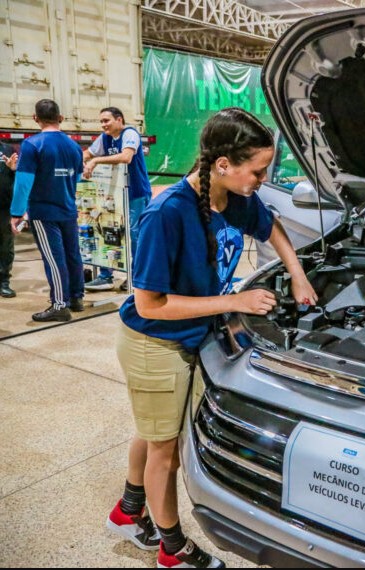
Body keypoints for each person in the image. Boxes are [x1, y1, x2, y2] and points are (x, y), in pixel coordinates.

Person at [107, 107, 318, 569]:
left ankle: (127, 511)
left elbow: (271, 226)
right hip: (153, 342)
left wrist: (298, 275)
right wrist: (234, 303)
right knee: (168, 449)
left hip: (188, 337)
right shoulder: (167, 213)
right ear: (222, 164)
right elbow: (150, 305)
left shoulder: (233, 195)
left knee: (156, 429)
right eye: (258, 171)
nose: (262, 179)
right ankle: (171, 548)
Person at [10, 99, 85, 321]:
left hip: (44, 212)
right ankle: (76, 297)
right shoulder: (74, 146)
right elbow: (78, 178)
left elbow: (24, 183)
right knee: (73, 254)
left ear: (35, 119)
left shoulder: (32, 144)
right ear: (60, 118)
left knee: (54, 258)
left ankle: (60, 305)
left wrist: (16, 213)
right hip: (68, 209)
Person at [82, 107, 152, 292]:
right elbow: (87, 154)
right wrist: (71, 159)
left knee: (134, 236)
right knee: (107, 232)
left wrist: (96, 161)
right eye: (102, 121)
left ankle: (137, 278)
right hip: (113, 196)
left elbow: (126, 157)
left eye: (107, 120)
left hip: (135, 194)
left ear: (119, 120)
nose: (103, 124)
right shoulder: (104, 138)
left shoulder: (130, 134)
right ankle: (105, 276)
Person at [0, 142, 18, 298]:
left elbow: (17, 177)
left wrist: (13, 168)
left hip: (4, 206)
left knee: (6, 247)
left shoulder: (7, 149)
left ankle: (4, 282)